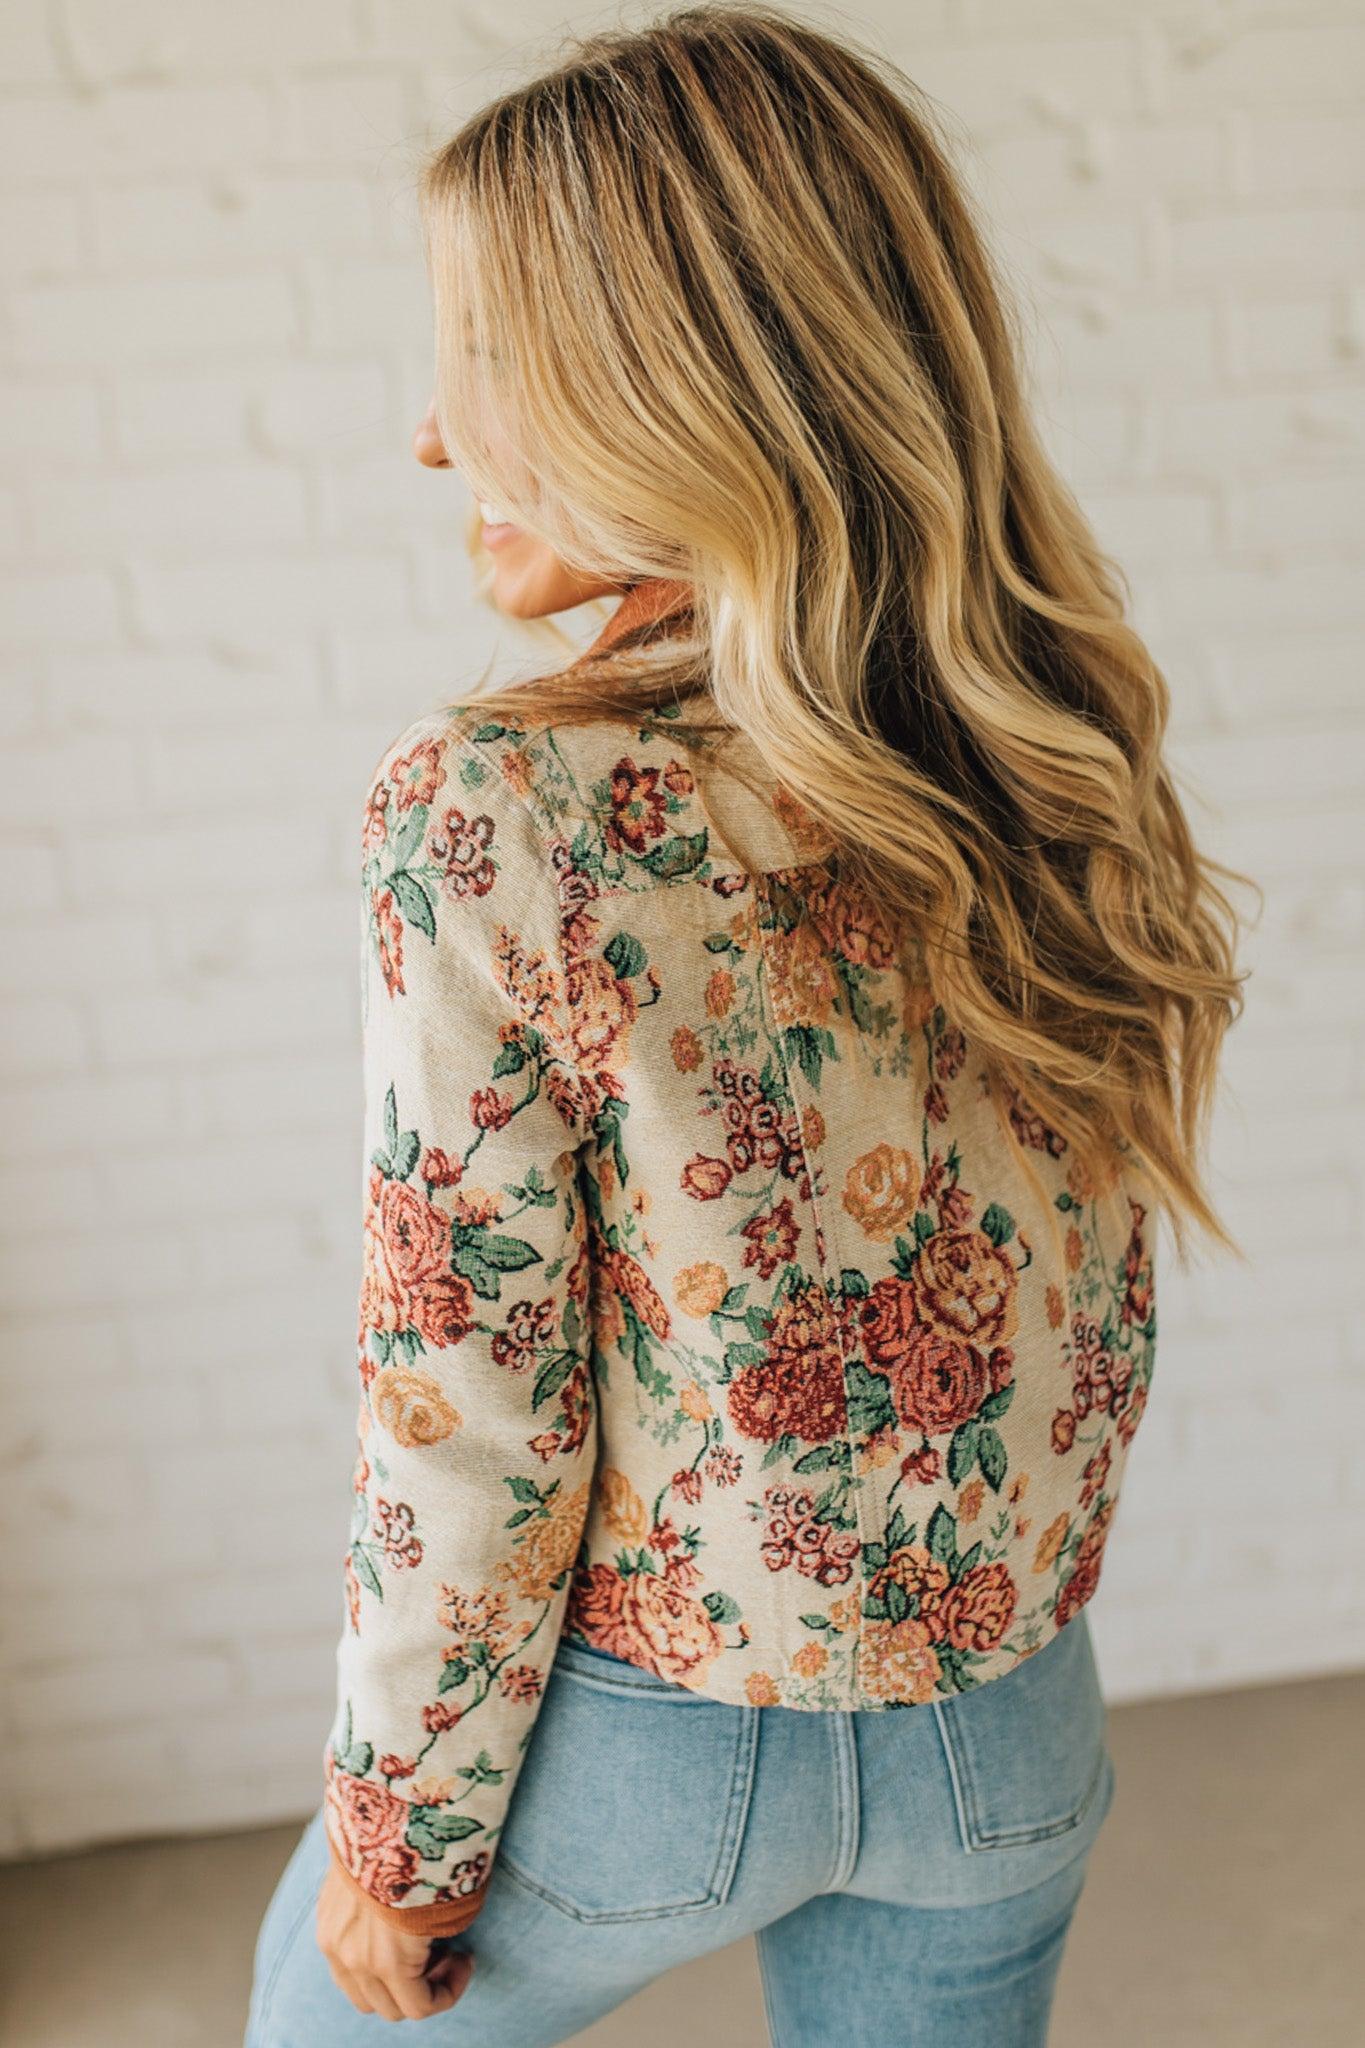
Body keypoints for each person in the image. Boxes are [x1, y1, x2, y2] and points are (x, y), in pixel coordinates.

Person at [244, 7, 1245, 2043]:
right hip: (1008, 1731)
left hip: (639, 1744)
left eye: (481, 360)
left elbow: (467, 1386)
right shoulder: (1049, 735)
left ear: (663, 389)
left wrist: (395, 1822)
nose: (432, 434)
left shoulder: (497, 803)